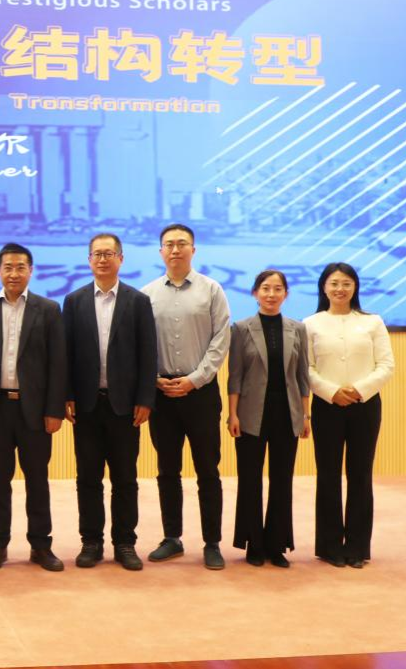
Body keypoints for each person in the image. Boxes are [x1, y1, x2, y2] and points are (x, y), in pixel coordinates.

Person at [0, 243, 67, 572]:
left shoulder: (48, 309)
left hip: (35, 410)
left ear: (30, 271)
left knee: (37, 480)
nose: (14, 273)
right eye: (8, 267)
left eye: (20, 267)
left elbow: (57, 364)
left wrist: (54, 410)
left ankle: (41, 545)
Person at [62, 234, 157, 571]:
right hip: (86, 405)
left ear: (121, 258)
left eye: (109, 253)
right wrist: (67, 395)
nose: (103, 259)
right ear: (89, 259)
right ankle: (91, 542)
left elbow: (148, 353)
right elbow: (66, 353)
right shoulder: (74, 301)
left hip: (125, 406)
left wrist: (145, 398)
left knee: (125, 478)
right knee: (87, 478)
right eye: (97, 254)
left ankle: (125, 543)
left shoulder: (138, 301)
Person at [141, 223, 231, 570]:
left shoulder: (212, 290)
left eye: (182, 244)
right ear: (160, 251)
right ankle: (172, 538)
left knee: (208, 470)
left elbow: (221, 340)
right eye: (169, 244)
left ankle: (212, 542)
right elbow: (139, 344)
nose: (175, 250)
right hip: (162, 394)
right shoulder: (147, 295)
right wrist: (153, 379)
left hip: (201, 394)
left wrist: (195, 380)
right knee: (167, 470)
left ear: (194, 249)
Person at [304, 262, 394, 569]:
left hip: (365, 406)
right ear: (324, 287)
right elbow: (306, 368)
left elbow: (386, 365)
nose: (340, 289)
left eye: (346, 283)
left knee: (360, 475)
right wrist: (331, 392)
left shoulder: (372, 322)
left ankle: (357, 547)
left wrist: (357, 390)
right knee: (328, 475)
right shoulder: (311, 324)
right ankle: (330, 547)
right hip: (326, 406)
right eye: (334, 283)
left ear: (355, 287)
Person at [227, 269, 311, 568]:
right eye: (265, 288)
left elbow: (302, 376)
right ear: (255, 293)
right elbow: (235, 376)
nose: (271, 294)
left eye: (277, 289)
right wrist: (233, 414)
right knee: (250, 480)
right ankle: (254, 543)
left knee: (282, 481)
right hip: (250, 415)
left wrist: (306, 415)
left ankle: (276, 545)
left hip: (287, 415)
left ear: (286, 294)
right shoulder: (241, 328)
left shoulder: (297, 329)